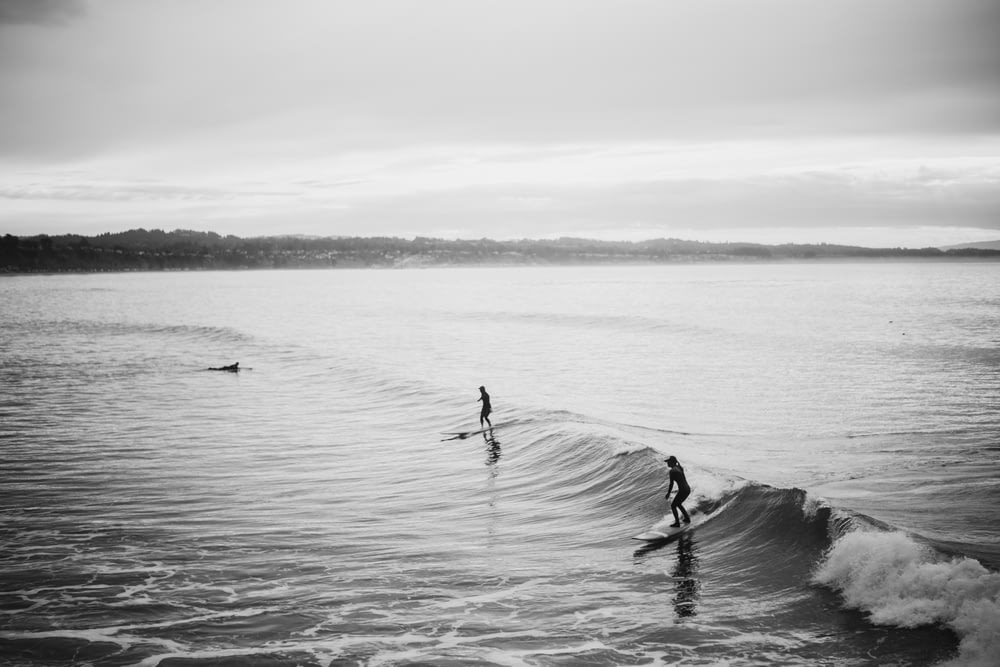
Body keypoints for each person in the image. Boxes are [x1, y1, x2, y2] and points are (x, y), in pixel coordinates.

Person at [664, 455, 691, 527]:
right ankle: (687, 518)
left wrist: (668, 493)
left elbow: (671, 484)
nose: (667, 463)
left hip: (683, 490)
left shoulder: (672, 471)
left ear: (672, 462)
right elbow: (682, 479)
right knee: (678, 504)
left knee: (673, 506)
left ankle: (677, 523)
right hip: (687, 489)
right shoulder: (679, 467)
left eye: (668, 462)